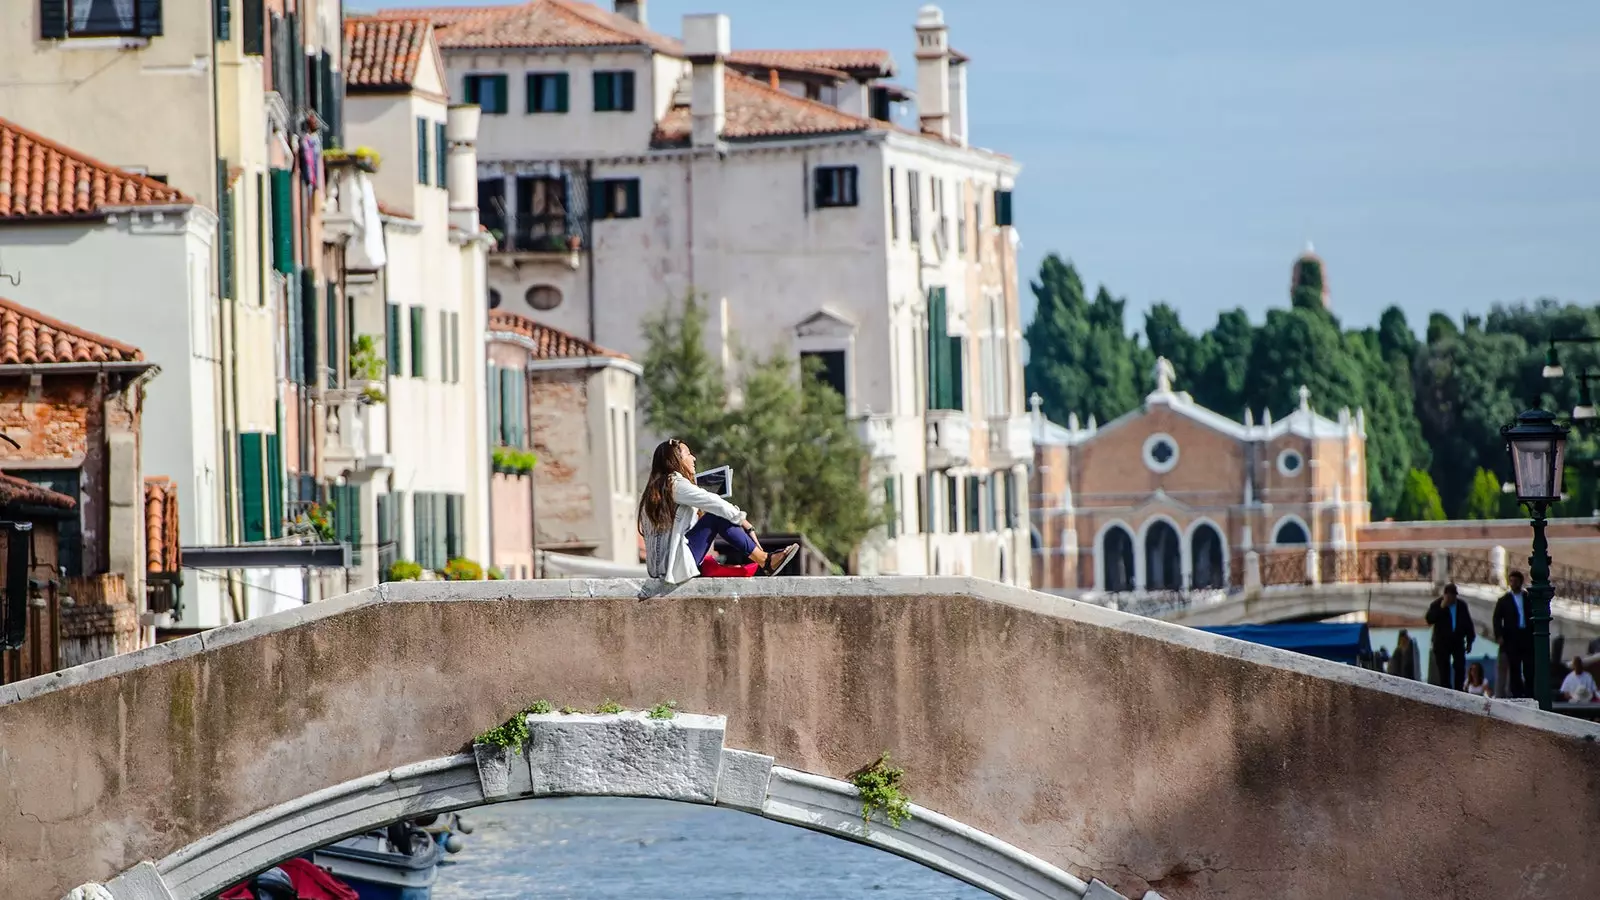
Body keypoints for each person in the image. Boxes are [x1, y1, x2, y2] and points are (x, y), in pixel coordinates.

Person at [638, 439, 799, 584]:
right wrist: (743, 521)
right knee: (716, 516)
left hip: (660, 569)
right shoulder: (674, 482)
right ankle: (765, 560)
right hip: (673, 567)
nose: (694, 458)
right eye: (688, 454)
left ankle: (756, 565)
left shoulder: (655, 490)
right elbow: (713, 502)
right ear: (675, 460)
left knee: (712, 563)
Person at [1425, 583, 1475, 692]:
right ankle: (1446, 691)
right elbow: (1429, 619)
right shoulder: (1437, 604)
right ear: (1445, 595)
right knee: (1444, 670)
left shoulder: (1461, 606)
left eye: (1453, 596)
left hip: (1457, 641)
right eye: (1449, 596)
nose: (1451, 598)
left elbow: (1468, 624)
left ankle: (1459, 691)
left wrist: (1470, 641)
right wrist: (1442, 607)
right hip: (1441, 643)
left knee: (1459, 668)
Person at [1493, 571, 1535, 698]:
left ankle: (1529, 692)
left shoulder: (1528, 598)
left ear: (1520, 582)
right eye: (1511, 581)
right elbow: (1496, 619)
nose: (1513, 584)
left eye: (1515, 581)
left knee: (1529, 666)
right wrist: (1499, 635)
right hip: (1512, 637)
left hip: (1526, 636)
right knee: (1514, 667)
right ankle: (1516, 693)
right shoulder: (1504, 600)